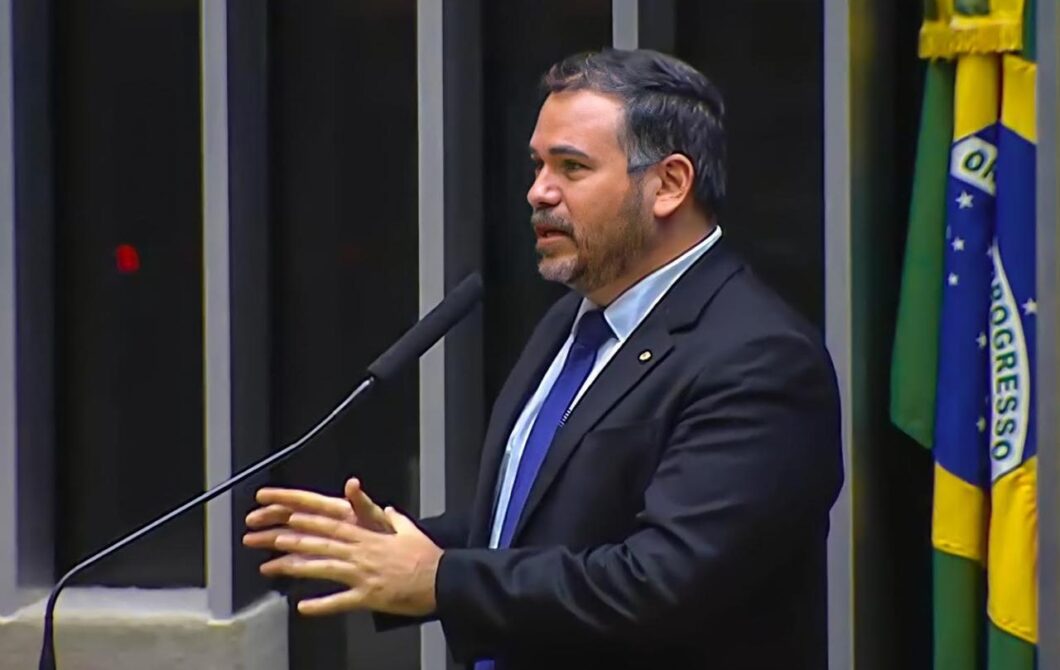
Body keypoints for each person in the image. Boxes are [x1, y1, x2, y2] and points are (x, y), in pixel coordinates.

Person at [243, 48, 843, 669]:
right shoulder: (572, 321)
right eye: (537, 165)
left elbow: (661, 583)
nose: (538, 192)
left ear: (668, 185)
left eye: (572, 167)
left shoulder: (760, 360)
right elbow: (546, 517)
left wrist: (441, 578)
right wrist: (398, 547)